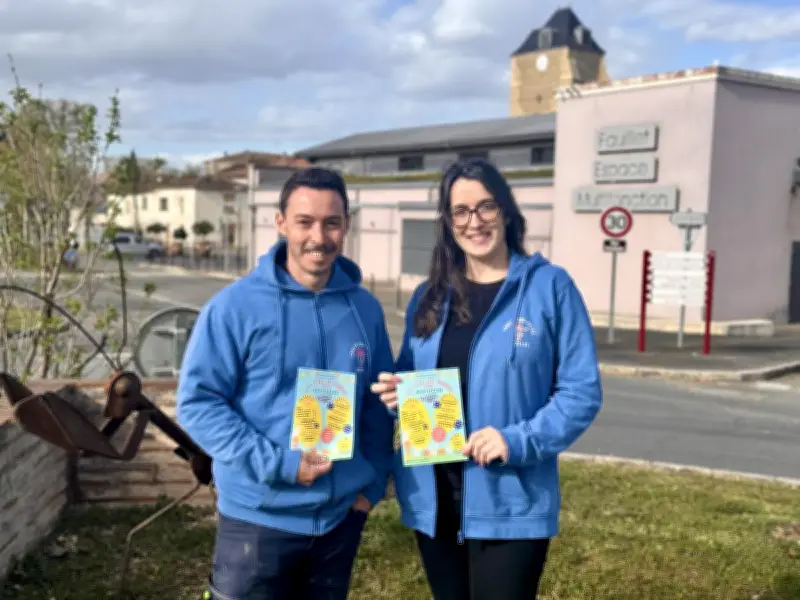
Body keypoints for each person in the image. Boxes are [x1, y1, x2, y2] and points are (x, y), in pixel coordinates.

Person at [370, 158, 603, 600]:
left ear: (506, 211)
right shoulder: (430, 295)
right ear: (448, 222)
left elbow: (581, 392)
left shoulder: (549, 288)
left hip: (508, 499)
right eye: (460, 211)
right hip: (433, 499)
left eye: (485, 207)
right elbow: (411, 370)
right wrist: (397, 389)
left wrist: (516, 440)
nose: (473, 222)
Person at [177, 167, 395, 600]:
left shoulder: (365, 309)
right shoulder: (234, 307)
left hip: (339, 520)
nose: (319, 236)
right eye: (305, 222)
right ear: (280, 223)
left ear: (346, 226)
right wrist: (280, 464)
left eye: (331, 222)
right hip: (256, 519)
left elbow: (376, 404)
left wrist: (369, 487)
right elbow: (198, 404)